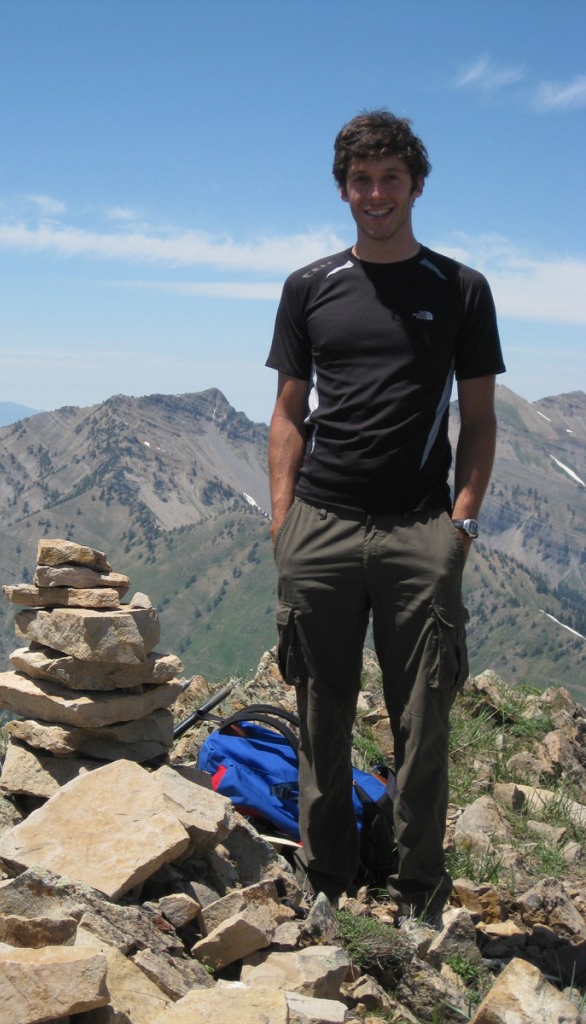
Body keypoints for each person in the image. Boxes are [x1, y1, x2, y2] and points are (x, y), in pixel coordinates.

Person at [266, 110, 505, 925]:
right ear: (344, 189)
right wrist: (282, 523)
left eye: (390, 178)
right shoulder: (309, 287)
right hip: (322, 524)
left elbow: (479, 419)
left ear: (416, 185)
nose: (375, 194)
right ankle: (326, 878)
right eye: (361, 180)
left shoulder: (461, 289)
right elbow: (289, 413)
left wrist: (461, 525)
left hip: (417, 528)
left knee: (423, 719)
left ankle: (419, 891)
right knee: (318, 710)